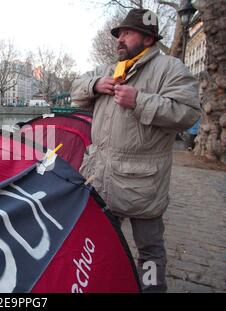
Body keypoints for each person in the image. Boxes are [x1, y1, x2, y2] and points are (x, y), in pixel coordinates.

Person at [71, 9, 201, 292]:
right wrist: (94, 85)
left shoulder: (171, 69)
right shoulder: (108, 69)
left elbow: (189, 113)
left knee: (150, 251)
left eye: (127, 33)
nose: (120, 39)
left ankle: (152, 289)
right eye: (119, 34)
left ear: (148, 37)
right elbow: (75, 90)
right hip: (100, 179)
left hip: (142, 186)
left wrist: (140, 100)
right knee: (97, 243)